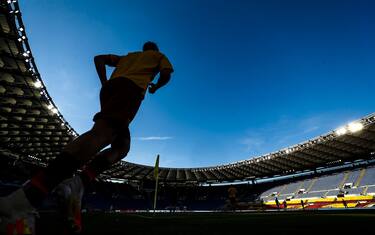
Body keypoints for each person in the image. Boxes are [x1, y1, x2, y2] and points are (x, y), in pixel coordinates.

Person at [0, 41, 174, 223]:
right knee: (103, 134)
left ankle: (78, 183)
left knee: (122, 146)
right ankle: (24, 200)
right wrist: (156, 86)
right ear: (155, 50)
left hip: (110, 89)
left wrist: (105, 82)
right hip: (130, 90)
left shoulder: (129, 57)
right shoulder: (157, 57)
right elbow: (166, 74)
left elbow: (99, 59)